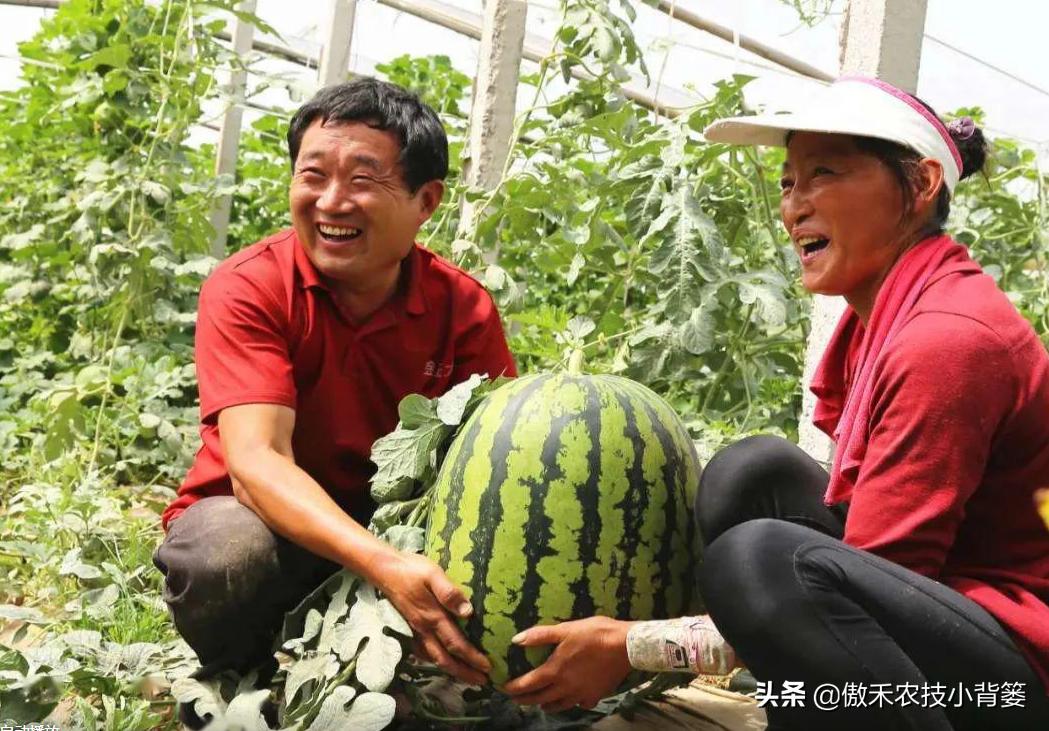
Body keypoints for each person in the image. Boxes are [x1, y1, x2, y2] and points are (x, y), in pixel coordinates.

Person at [504, 76, 1049, 731]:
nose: (794, 206)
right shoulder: (894, 316)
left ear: (922, 184)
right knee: (751, 473)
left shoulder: (947, 338)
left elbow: (872, 585)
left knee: (757, 560)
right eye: (789, 182)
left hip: (1018, 683)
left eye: (824, 172)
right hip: (955, 625)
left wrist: (631, 644)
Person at [153, 78, 516, 726]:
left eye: (361, 179)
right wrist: (384, 564)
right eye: (311, 174)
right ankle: (242, 676)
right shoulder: (250, 287)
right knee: (221, 557)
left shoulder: (463, 311)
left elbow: (494, 473)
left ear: (424, 200)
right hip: (266, 526)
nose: (329, 201)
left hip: (399, 535)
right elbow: (256, 462)